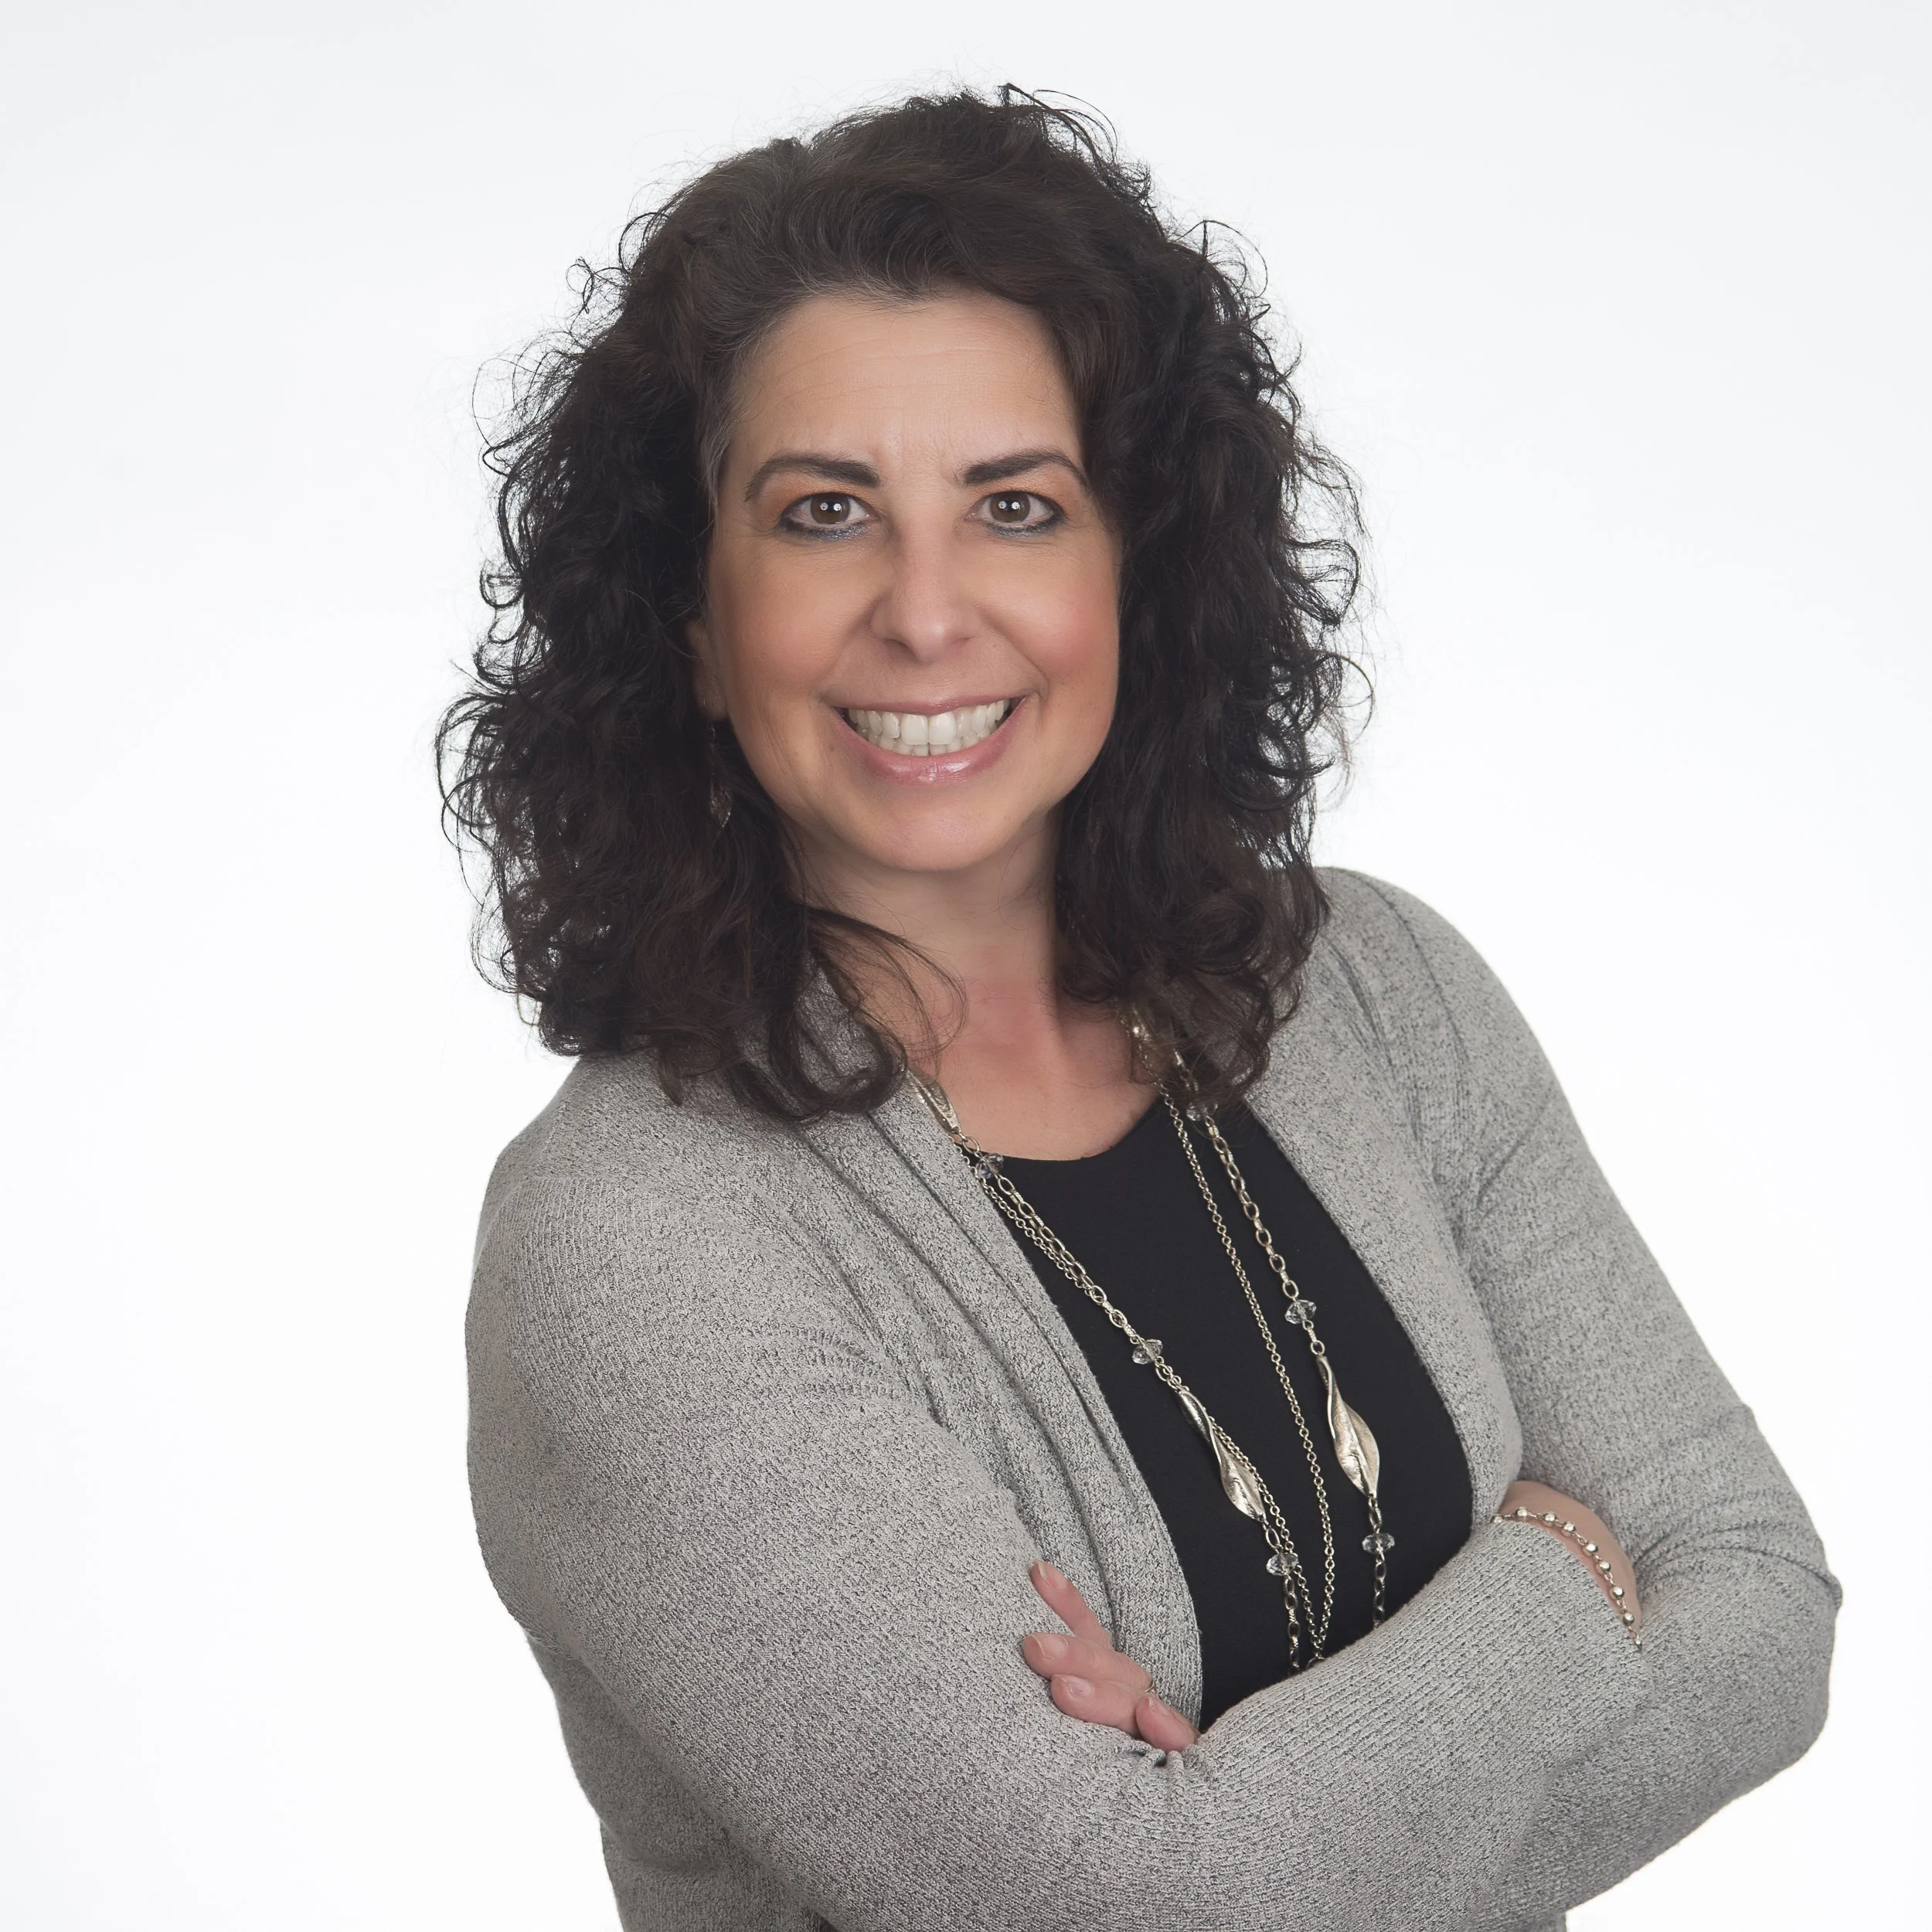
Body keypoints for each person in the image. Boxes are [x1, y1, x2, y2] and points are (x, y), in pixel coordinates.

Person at [440, 87, 1838, 1932]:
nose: (927, 613)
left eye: (1013, 506)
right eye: (824, 513)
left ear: (1132, 571)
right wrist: (1571, 1568)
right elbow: (1120, 1910)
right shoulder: (636, 1241)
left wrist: (1241, 1811)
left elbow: (1758, 1595)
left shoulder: (1374, 989)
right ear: (689, 619)